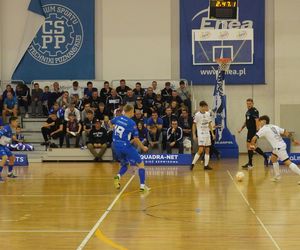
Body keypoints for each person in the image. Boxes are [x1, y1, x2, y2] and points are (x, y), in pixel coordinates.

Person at [250, 115, 300, 184]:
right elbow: (285, 132)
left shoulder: (264, 129)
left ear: (264, 121)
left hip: (279, 147)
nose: (259, 123)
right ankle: (277, 176)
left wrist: (252, 146)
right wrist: (293, 140)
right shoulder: (274, 126)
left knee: (288, 163)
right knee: (273, 159)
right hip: (279, 146)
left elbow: (254, 138)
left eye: (260, 121)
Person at [112, 104, 150, 192]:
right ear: (130, 111)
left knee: (125, 164)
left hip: (116, 146)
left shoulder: (118, 118)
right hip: (125, 146)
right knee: (141, 164)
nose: (134, 113)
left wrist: (113, 127)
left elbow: (110, 122)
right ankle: (142, 186)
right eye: (133, 111)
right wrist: (143, 147)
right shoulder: (131, 123)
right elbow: (136, 138)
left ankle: (118, 177)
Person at [238, 98, 268, 169]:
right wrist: (241, 129)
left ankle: (250, 164)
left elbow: (257, 121)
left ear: (252, 103)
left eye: (250, 103)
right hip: (249, 131)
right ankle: (264, 156)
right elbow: (246, 121)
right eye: (247, 104)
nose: (248, 105)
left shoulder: (254, 111)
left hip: (253, 131)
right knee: (252, 147)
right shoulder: (248, 111)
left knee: (250, 146)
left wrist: (258, 131)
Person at [191, 101, 215, 171]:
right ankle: (192, 164)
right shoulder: (197, 115)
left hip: (207, 133)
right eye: (205, 107)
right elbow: (194, 125)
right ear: (201, 107)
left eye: (206, 106)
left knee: (207, 149)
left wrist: (212, 133)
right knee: (201, 150)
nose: (206, 108)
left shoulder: (208, 114)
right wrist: (194, 134)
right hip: (201, 134)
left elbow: (210, 124)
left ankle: (206, 165)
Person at [0, 116, 19, 181]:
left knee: (12, 157)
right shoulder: (6, 128)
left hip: (4, 146)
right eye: (16, 121)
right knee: (5, 157)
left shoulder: (11, 129)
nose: (17, 123)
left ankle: (10, 173)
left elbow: (8, 137)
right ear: (12, 122)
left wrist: (15, 139)